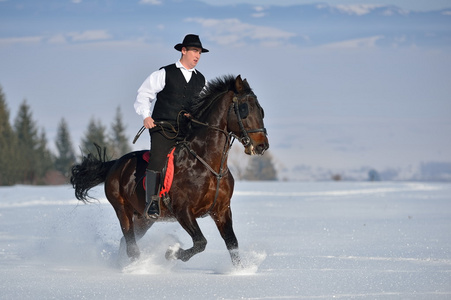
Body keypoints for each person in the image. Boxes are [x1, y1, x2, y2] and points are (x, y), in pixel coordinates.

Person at [134, 34, 209, 218]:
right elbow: (144, 94)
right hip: (162, 127)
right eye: (194, 51)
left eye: (199, 52)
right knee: (158, 159)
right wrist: (146, 116)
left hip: (186, 129)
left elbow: (200, 105)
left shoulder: (201, 80)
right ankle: (152, 202)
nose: (197, 56)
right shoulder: (164, 73)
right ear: (183, 51)